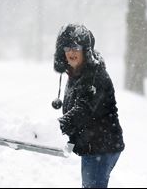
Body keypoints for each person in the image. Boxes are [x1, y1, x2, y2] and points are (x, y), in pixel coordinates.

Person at [53, 24, 125, 188]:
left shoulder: (94, 75)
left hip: (101, 147)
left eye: (75, 47)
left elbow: (83, 110)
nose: (70, 52)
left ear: (85, 49)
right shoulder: (76, 71)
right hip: (93, 145)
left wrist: (54, 127)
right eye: (66, 47)